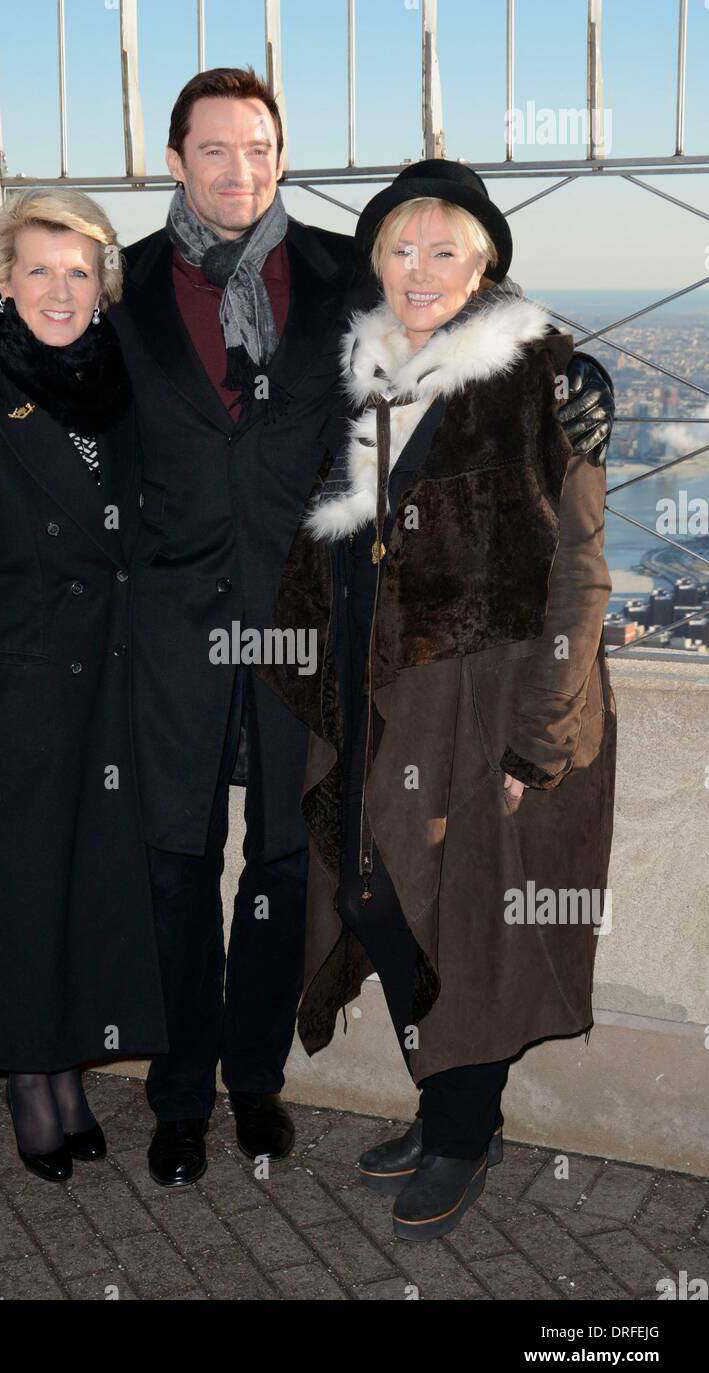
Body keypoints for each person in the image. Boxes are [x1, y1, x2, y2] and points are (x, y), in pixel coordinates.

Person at [110, 70, 616, 1189]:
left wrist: (581, 376)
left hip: (311, 648)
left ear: (280, 156)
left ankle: (254, 1085)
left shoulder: (349, 265)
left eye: (258, 147)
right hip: (175, 637)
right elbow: (58, 382)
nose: (238, 170)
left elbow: (476, 320)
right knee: (175, 871)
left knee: (290, 868)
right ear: (175, 158)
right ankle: (180, 1098)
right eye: (213, 150)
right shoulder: (122, 286)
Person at [258, 159, 617, 1242]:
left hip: (488, 706)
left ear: (486, 263)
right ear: (374, 263)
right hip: (372, 689)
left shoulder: (540, 381)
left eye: (443, 249)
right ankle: (451, 1108)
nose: (418, 270)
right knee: (378, 895)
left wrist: (539, 739)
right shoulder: (360, 373)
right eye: (398, 250)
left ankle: (459, 1127)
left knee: (464, 920)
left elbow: (582, 572)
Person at [0, 188, 166, 1183]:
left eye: (79, 269)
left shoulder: (126, 393)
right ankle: (30, 1078)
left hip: (107, 698)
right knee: (16, 902)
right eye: (38, 269)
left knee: (82, 897)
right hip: (11, 706)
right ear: (1, 283)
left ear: (103, 286)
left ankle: (63, 1066)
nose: (60, 289)